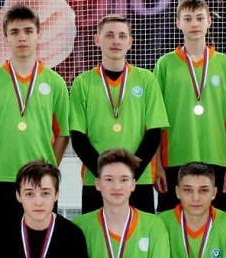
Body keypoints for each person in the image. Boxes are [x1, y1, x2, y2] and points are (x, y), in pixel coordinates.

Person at [0, 5, 70, 235]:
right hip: (0, 179)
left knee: (40, 245)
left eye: (28, 31)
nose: (22, 37)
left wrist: (48, 167)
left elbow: (63, 134)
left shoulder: (55, 82)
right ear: (6, 37)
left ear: (38, 34)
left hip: (40, 183)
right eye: (15, 32)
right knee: (0, 244)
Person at [70, 14, 167, 214]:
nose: (116, 41)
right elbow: (78, 138)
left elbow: (154, 134)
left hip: (138, 180)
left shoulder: (147, 80)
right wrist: (104, 175)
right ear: (97, 40)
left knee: (139, 233)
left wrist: (130, 175)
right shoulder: (82, 83)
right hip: (96, 180)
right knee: (97, 232)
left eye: (122, 36)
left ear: (130, 42)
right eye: (109, 35)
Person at [153, 0, 226, 215]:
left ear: (209, 21)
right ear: (178, 23)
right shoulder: (165, 65)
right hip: (174, 159)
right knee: (171, 223)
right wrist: (157, 166)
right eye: (188, 19)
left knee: (221, 222)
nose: (194, 24)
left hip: (217, 159)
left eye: (200, 18)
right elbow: (155, 121)